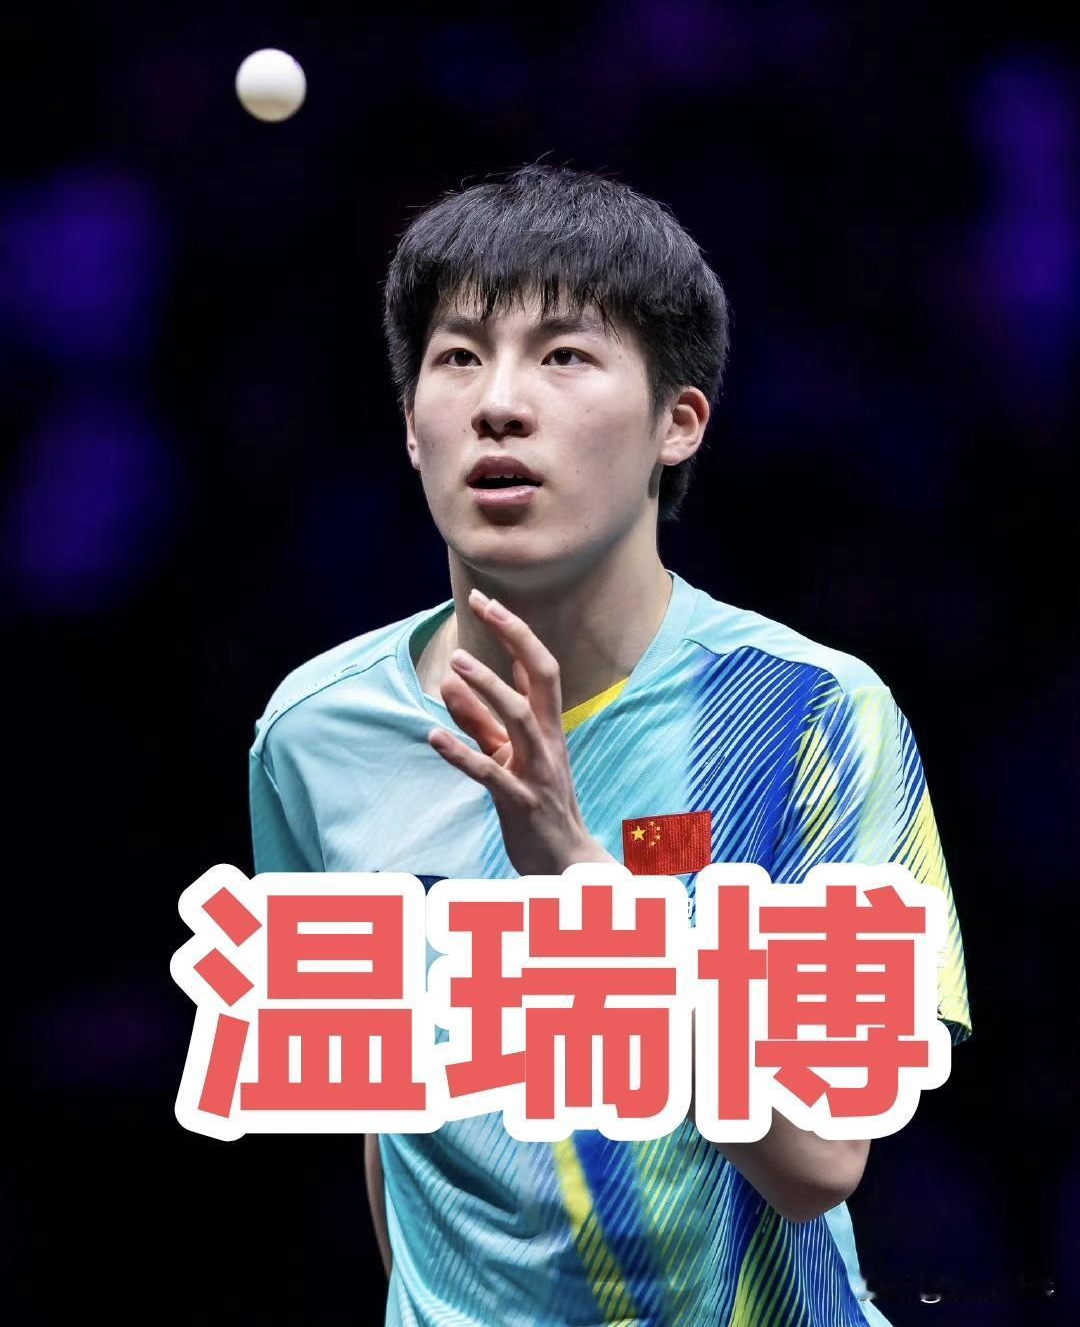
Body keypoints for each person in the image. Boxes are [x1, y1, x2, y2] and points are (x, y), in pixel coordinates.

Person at [249, 163, 972, 1327]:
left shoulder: (811, 715)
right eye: (459, 357)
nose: (499, 403)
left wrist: (584, 887)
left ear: (677, 425)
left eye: (564, 356)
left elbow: (820, 1159)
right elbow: (389, 1118)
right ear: (412, 428)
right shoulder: (318, 735)